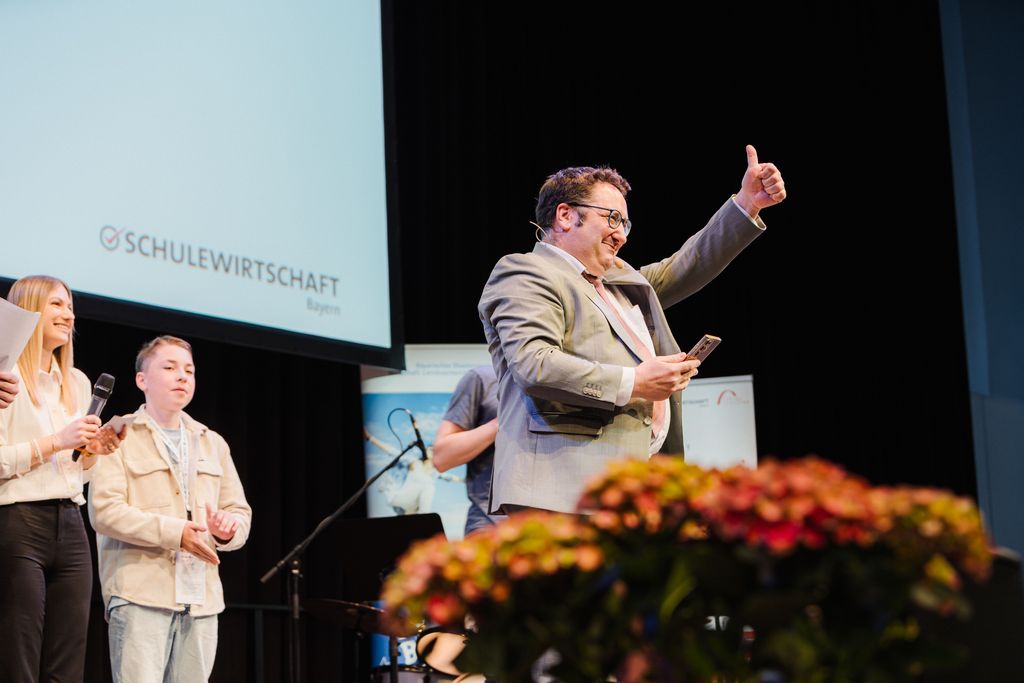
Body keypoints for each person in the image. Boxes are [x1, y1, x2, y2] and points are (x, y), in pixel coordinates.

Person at [478, 146, 786, 513]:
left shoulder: (618, 282)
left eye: (624, 223)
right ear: (564, 216)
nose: (620, 235)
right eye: (611, 219)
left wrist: (746, 204)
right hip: (562, 492)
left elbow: (689, 264)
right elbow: (535, 365)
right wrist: (635, 382)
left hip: (632, 489)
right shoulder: (527, 271)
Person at [89, 335, 252, 683]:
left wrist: (228, 529)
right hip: (140, 596)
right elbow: (104, 511)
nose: (182, 376)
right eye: (170, 367)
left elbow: (239, 512)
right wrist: (174, 532)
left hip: (202, 602)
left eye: (189, 370)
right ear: (142, 380)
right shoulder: (119, 434)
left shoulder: (213, 442)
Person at [0, 274, 124, 682]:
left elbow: (76, 470)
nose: (67, 314)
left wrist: (92, 454)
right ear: (29, 309)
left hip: (71, 525)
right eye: (56, 304)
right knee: (19, 654)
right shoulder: (6, 379)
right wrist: (56, 441)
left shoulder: (77, 382)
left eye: (70, 306)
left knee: (69, 658)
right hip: (18, 522)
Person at [433, 365, 500, 534]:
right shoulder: (482, 378)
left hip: (557, 523)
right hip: (490, 524)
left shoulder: (568, 377)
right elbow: (442, 457)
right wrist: (502, 421)